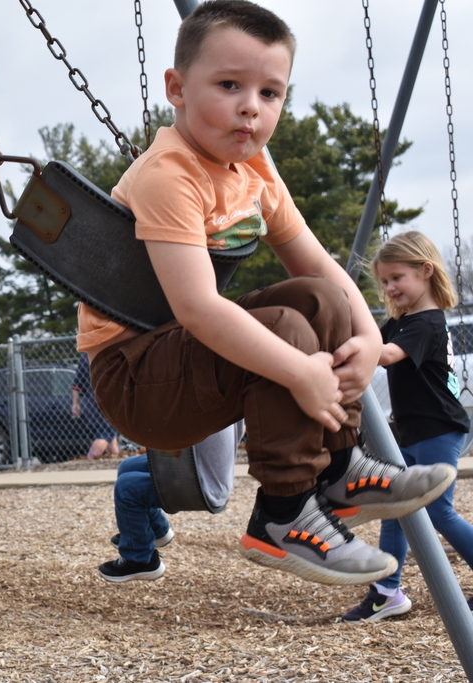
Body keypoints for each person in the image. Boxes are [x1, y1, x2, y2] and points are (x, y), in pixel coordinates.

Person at [78, 0, 456, 585]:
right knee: (287, 332)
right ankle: (282, 514)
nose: (251, 107)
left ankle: (339, 470)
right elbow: (199, 309)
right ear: (177, 88)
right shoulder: (168, 174)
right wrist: (302, 372)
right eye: (229, 84)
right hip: (134, 378)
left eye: (271, 92)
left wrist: (364, 336)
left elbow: (321, 268)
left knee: (320, 301)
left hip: (182, 359)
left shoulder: (255, 169)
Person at [342, 231, 473, 622]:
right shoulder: (401, 322)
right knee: (395, 508)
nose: (389, 287)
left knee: (436, 511)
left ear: (425, 271)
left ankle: (388, 589)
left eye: (397, 277)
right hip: (414, 431)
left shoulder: (426, 323)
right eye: (384, 281)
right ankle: (387, 592)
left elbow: (383, 355)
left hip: (439, 428)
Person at [99, 422, 242, 582]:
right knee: (127, 467)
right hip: (206, 468)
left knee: (126, 488)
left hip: (203, 482)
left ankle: (140, 559)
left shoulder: (199, 402)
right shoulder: (225, 400)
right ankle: (156, 531)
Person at [72, 352, 121, 459]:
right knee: (104, 436)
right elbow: (77, 384)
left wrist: (76, 403)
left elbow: (77, 384)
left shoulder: (86, 356)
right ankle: (89, 460)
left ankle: (117, 462)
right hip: (108, 405)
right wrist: (75, 404)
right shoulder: (109, 351)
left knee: (111, 440)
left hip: (95, 407)